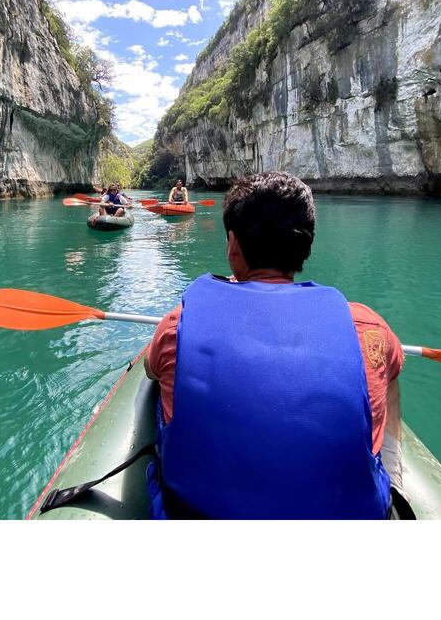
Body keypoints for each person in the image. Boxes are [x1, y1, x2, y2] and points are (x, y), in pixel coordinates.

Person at [142, 171, 405, 519]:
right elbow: (389, 371)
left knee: (160, 382)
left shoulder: (179, 323)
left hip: (200, 513)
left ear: (233, 245)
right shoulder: (370, 328)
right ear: (306, 246)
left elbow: (149, 367)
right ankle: (396, 476)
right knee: (388, 376)